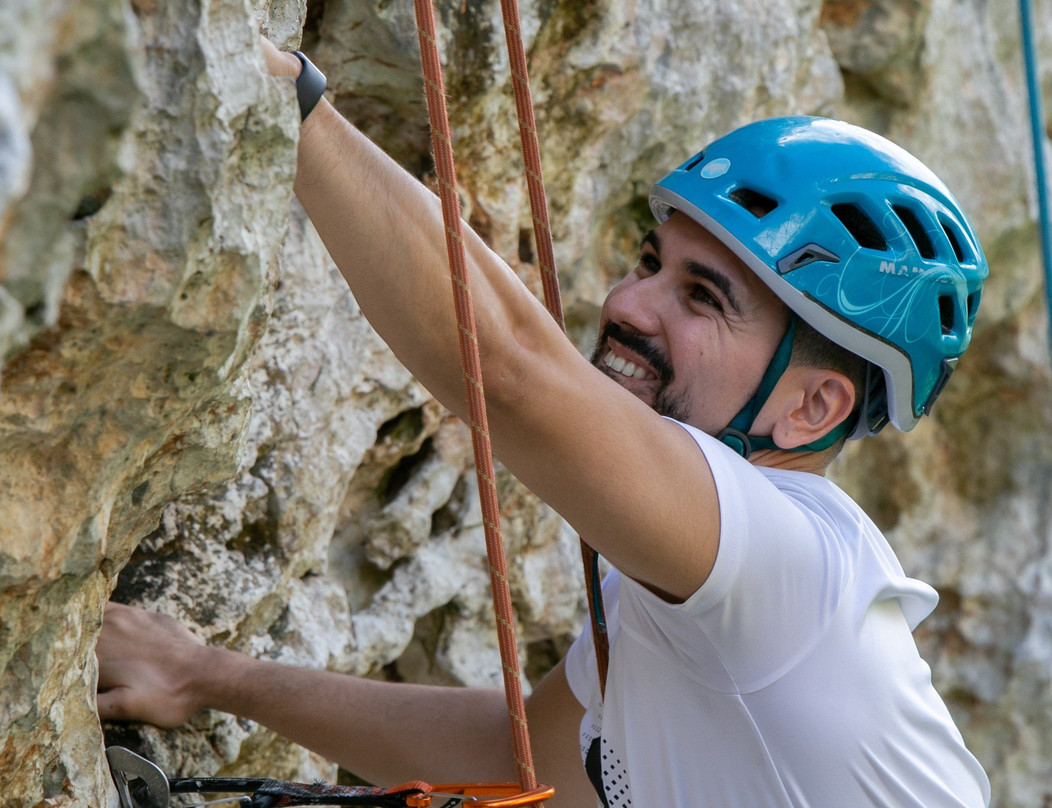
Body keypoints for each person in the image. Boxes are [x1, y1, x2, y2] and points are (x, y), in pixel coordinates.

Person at [96, 40, 992, 807]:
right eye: (650, 261)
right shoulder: (689, 602)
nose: (630, 305)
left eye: (702, 298)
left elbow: (517, 375)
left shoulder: (791, 569)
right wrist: (213, 677)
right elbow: (528, 764)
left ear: (812, 409)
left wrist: (283, 97)